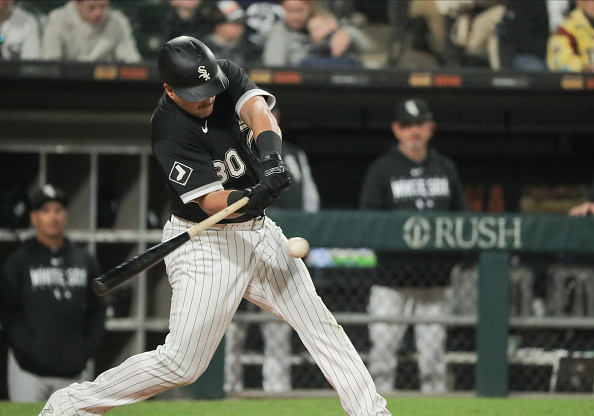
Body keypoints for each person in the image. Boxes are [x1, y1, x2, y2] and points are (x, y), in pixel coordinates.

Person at [38, 36, 391, 416]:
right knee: (182, 364)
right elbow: (210, 203)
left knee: (319, 323)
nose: (206, 98)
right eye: (195, 94)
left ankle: (370, 411)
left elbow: (259, 111)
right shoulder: (169, 129)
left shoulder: (224, 75)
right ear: (169, 90)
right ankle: (69, 406)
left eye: (209, 90)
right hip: (206, 243)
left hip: (259, 233)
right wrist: (247, 197)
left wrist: (270, 157)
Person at [359, 98, 468, 393]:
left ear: (430, 127)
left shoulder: (445, 168)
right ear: (396, 130)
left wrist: (450, 262)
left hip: (434, 282)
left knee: (432, 362)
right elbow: (367, 222)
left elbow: (462, 219)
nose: (413, 132)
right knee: (381, 356)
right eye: (407, 126)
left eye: (419, 125)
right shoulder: (382, 169)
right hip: (390, 282)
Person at [223, 105, 320, 394]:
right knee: (231, 324)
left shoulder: (293, 155)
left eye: (272, 113)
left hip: (280, 248)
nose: (269, 119)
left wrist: (306, 235)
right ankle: (228, 389)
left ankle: (276, 392)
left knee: (278, 325)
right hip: (238, 247)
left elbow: (311, 202)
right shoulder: (230, 150)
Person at [1, 184, 105, 402]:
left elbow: (97, 310)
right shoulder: (19, 261)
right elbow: (9, 313)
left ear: (65, 215)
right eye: (45, 211)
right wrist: (29, 351)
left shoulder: (84, 260)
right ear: (34, 217)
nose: (52, 217)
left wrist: (84, 351)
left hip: (74, 370)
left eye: (57, 210)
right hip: (28, 372)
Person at [41, 0, 141, 62]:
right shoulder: (57, 19)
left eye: (103, 6)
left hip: (106, 86)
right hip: (67, 86)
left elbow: (131, 59)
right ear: (77, 4)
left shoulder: (117, 21)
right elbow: (51, 63)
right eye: (91, 7)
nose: (98, 13)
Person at [202, 0, 262, 67]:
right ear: (219, 26)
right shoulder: (201, 50)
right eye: (236, 24)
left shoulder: (247, 50)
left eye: (242, 24)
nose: (241, 28)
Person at [547, 0, 594, 72]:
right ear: (580, 2)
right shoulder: (566, 29)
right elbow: (559, 63)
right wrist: (586, 68)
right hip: (582, 80)